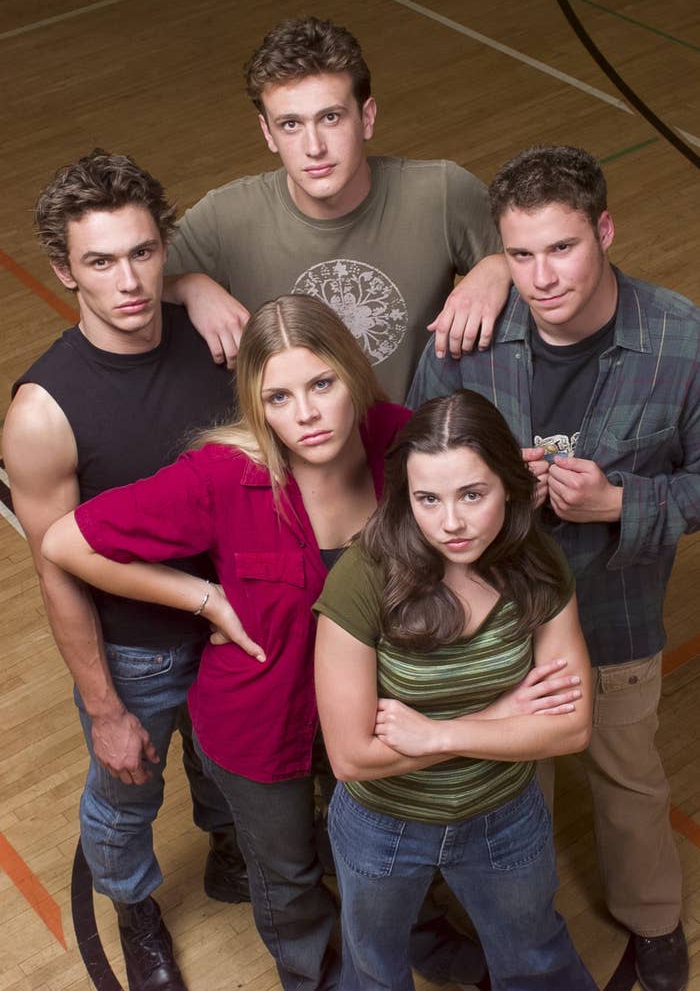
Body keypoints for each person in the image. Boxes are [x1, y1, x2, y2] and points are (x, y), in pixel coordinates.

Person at [41, 295, 502, 991]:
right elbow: (66, 540)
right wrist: (204, 598)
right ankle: (312, 976)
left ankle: (423, 940)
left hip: (377, 707)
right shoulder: (222, 476)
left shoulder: (403, 441)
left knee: (396, 852)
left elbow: (480, 507)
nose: (307, 414)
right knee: (287, 877)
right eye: (278, 397)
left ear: (353, 372)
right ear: (257, 406)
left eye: (321, 384)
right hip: (259, 724)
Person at [407, 144, 699, 991]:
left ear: (604, 231)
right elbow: (415, 459)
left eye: (562, 248)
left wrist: (619, 504)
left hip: (617, 618)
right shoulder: (467, 335)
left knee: (629, 782)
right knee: (504, 792)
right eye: (520, 255)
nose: (541, 277)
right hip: (490, 622)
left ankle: (656, 924)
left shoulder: (681, 340)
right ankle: (511, 931)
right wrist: (490, 489)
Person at [2, 150, 248, 991]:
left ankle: (227, 854)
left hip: (234, 620)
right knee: (124, 797)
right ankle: (135, 906)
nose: (130, 280)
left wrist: (200, 283)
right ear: (65, 271)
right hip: (136, 646)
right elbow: (58, 571)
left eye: (144, 253)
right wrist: (104, 706)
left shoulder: (211, 336)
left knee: (225, 764)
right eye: (101, 262)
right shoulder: (42, 413)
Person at [313, 390, 596, 990]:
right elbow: (351, 757)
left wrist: (438, 732)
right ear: (404, 497)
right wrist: (504, 716)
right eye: (427, 499)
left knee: (537, 959)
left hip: (504, 813)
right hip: (383, 825)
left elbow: (571, 726)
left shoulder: (536, 562)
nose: (451, 522)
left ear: (509, 485)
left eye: (473, 493)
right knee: (374, 971)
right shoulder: (363, 577)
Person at [160, 15, 511, 400]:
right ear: (267, 133)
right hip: (290, 457)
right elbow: (125, 294)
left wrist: (501, 265)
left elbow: (562, 263)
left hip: (417, 451)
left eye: (330, 117)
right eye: (291, 125)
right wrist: (188, 286)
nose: (314, 147)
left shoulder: (441, 193)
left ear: (367, 117)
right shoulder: (225, 218)